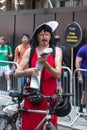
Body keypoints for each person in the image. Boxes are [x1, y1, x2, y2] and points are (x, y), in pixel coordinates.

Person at [14, 21, 62, 130]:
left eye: (47, 34)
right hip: (33, 96)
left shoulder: (56, 51)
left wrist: (46, 64)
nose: (44, 37)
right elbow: (16, 73)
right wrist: (28, 71)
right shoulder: (30, 51)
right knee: (30, 125)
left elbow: (58, 73)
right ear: (37, 37)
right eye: (41, 34)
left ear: (51, 36)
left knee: (48, 125)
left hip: (49, 97)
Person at [75, 44, 87, 112]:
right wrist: (79, 75)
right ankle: (81, 108)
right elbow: (77, 62)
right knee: (85, 92)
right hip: (85, 73)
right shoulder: (83, 49)